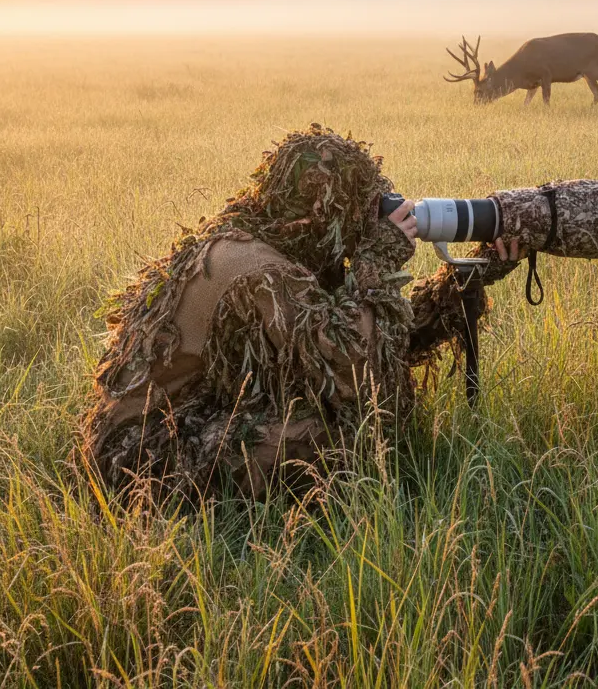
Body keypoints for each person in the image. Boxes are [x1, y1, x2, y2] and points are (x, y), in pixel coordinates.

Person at [80, 124, 519, 498]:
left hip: (182, 419)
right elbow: (351, 367)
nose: (362, 226)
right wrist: (375, 263)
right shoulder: (257, 269)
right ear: (318, 213)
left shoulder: (276, 241)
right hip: (139, 456)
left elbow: (376, 335)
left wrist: (472, 276)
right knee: (340, 437)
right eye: (355, 212)